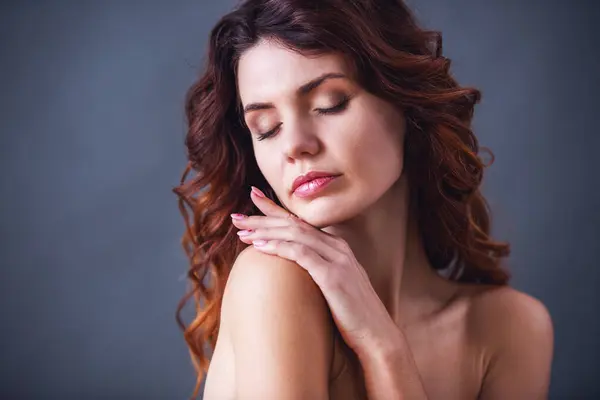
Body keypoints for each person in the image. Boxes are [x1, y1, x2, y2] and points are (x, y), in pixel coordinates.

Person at [172, 0, 554, 398]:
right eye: (266, 128)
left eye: (329, 104)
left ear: (407, 103)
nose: (295, 146)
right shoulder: (273, 281)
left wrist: (381, 344)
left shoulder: (510, 328)